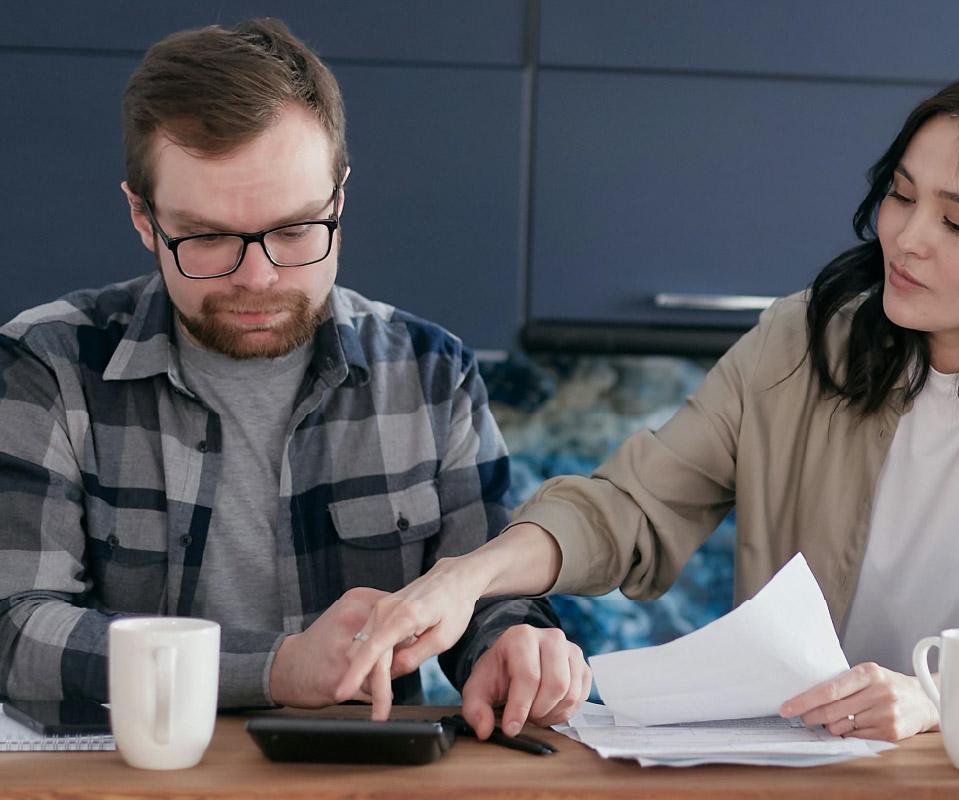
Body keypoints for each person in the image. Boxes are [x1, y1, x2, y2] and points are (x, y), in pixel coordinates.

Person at [336, 70, 959, 740]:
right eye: (901, 195)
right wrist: (467, 577)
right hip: (809, 769)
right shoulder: (802, 341)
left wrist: (940, 698)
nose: (907, 237)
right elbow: (631, 507)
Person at [0, 18, 588, 739]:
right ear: (144, 218)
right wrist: (275, 667)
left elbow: (485, 591)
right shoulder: (45, 366)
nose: (259, 276)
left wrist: (513, 648)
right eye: (208, 237)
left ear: (338, 202)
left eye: (293, 230)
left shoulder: (431, 374)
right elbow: (14, 630)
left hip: (363, 783)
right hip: (125, 780)